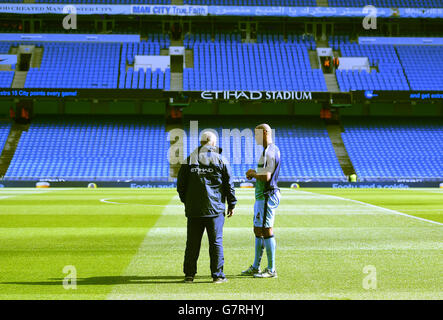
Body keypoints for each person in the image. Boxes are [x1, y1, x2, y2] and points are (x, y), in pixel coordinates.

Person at [177, 131, 237, 284]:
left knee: (192, 243)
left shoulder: (189, 160)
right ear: (213, 143)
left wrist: (187, 201)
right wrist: (232, 203)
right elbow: (228, 184)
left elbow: (180, 186)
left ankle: (189, 275)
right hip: (215, 210)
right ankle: (217, 275)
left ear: (201, 142)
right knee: (216, 242)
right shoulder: (221, 159)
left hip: (194, 209)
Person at [242, 124, 281, 278]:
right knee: (258, 229)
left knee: (266, 229)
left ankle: (271, 270)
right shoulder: (268, 151)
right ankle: (256, 267)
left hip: (266, 195)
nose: (255, 137)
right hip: (261, 197)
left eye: (257, 134)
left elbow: (267, 176)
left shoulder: (270, 151)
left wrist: (253, 174)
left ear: (265, 133)